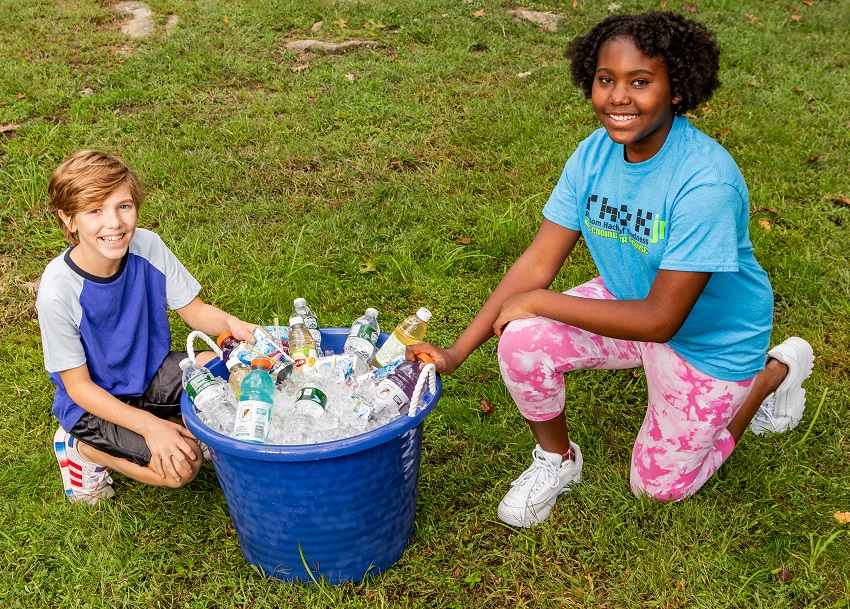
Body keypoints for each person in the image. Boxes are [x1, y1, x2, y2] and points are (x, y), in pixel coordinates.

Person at [409, 12, 814, 528]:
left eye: (640, 82)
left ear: (678, 91)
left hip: (711, 339)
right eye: (607, 80)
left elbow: (661, 321)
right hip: (630, 302)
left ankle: (769, 376)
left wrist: (538, 303)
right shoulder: (593, 155)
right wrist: (456, 352)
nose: (618, 97)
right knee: (522, 339)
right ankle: (557, 460)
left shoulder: (706, 182)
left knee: (658, 490)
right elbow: (538, 261)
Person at [37, 150, 262, 505]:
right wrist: (150, 426)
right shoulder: (57, 291)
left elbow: (196, 312)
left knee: (231, 370)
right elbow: (78, 388)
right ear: (69, 219)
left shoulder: (148, 246)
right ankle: (81, 450)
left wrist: (234, 325)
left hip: (150, 373)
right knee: (183, 466)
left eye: (123, 206)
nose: (114, 223)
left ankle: (168, 417)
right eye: (95, 211)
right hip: (94, 404)